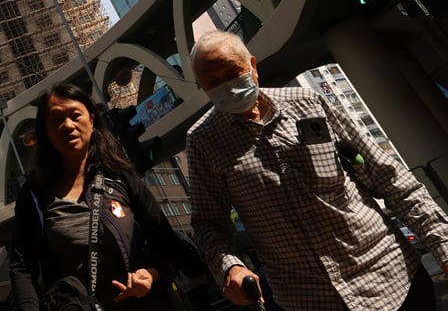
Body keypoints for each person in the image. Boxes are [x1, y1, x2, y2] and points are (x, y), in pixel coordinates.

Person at [185, 30, 448, 309]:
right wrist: (230, 267)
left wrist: (443, 243)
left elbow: (388, 175)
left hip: (391, 277)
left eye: (232, 73)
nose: (226, 87)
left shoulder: (307, 102)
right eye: (212, 82)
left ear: (253, 65)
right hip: (310, 298)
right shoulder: (202, 141)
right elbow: (208, 223)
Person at [9, 82, 180, 310]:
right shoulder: (34, 195)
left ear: (91, 120)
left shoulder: (121, 177)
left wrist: (152, 273)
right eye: (56, 119)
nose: (67, 125)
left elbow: (168, 243)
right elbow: (22, 266)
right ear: (46, 133)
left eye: (75, 115)